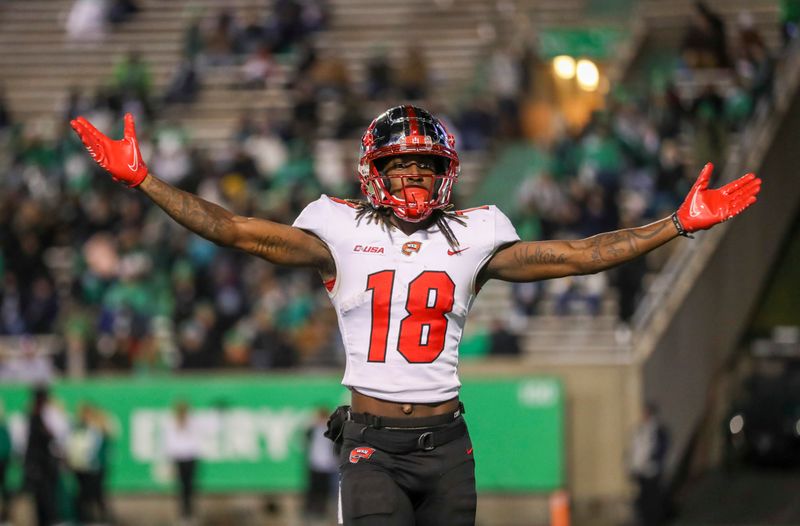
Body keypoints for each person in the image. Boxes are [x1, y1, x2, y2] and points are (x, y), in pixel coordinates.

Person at [70, 105, 761, 525]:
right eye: (399, 168)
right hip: (374, 444)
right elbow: (234, 230)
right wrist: (146, 181)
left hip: (450, 447)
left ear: (446, 172)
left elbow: (579, 254)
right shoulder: (336, 228)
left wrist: (677, 223)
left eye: (425, 168)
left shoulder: (478, 233)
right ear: (374, 171)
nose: (412, 180)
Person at [628, 402, 670, 526]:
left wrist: (652, 461)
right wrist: (632, 466)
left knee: (654, 500)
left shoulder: (658, 431)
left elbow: (661, 449)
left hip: (653, 471)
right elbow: (634, 450)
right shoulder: (639, 430)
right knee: (643, 500)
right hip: (640, 471)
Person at [164, 400, 200, 524]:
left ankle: (190, 513)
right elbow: (169, 442)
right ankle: (183, 514)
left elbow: (196, 439)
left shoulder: (193, 421)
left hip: (190, 457)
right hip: (179, 457)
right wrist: (169, 458)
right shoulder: (171, 422)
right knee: (182, 487)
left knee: (190, 486)